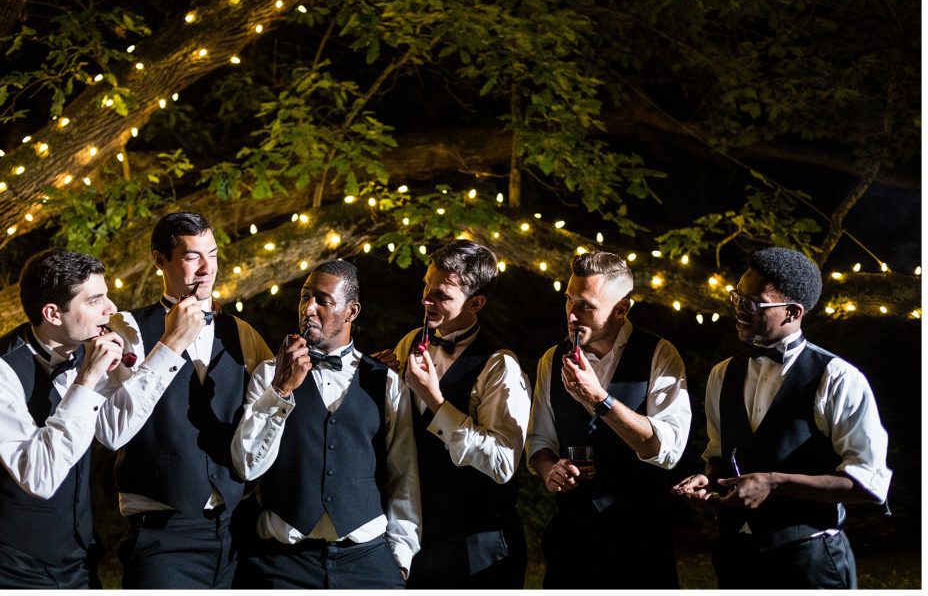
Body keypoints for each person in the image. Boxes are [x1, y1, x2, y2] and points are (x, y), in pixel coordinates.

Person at [672, 247, 891, 588]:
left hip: (810, 560)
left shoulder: (838, 378)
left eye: (752, 302)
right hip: (736, 557)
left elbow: (868, 484)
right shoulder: (721, 374)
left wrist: (776, 482)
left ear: (792, 312)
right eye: (737, 297)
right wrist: (710, 484)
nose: (738, 310)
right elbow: (719, 456)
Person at [103, 211, 274, 588]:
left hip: (232, 533)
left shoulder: (242, 334)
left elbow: (280, 399)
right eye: (191, 256)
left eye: (211, 255)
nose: (206, 268)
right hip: (161, 534)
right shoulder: (128, 330)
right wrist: (170, 342)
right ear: (159, 259)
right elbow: (111, 428)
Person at [231, 259, 420, 589]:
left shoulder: (385, 381)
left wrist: (401, 557)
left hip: (367, 562)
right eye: (304, 297)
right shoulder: (269, 374)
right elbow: (246, 465)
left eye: (323, 300)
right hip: (282, 563)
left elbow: (404, 474)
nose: (308, 309)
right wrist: (281, 390)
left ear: (351, 311)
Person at [0, 248, 124, 588]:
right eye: (95, 300)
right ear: (52, 314)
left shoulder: (85, 352)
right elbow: (38, 477)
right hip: (1, 562)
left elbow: (116, 434)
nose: (111, 308)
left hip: (75, 557)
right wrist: (87, 380)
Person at [526, 250, 692, 589]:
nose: (572, 315)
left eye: (586, 305)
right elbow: (539, 441)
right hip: (572, 537)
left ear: (622, 308)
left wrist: (599, 399)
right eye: (569, 300)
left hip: (641, 541)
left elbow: (666, 449)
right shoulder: (551, 360)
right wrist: (549, 469)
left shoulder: (659, 354)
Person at [387, 239, 531, 588]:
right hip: (420, 533)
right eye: (426, 287)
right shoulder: (410, 343)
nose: (426, 300)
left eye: (441, 296)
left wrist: (437, 402)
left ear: (476, 302)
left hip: (478, 541)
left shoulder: (500, 366)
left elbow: (502, 463)